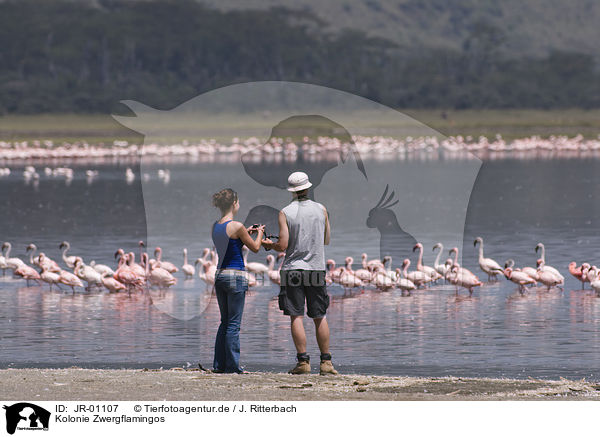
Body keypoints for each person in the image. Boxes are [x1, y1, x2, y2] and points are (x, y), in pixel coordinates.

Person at [262, 172, 338, 375]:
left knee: (296, 316)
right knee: (319, 316)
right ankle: (326, 362)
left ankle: (303, 362)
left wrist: (270, 245)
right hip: (316, 268)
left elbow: (284, 245)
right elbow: (326, 240)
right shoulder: (321, 209)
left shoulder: (285, 212)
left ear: (291, 191)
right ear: (308, 187)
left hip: (293, 270)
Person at [211, 188, 264, 373]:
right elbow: (256, 248)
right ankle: (233, 367)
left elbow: (230, 245)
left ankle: (219, 365)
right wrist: (259, 233)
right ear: (234, 203)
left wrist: (243, 235)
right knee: (234, 324)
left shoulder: (216, 225)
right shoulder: (237, 226)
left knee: (224, 322)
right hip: (236, 277)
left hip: (220, 275)